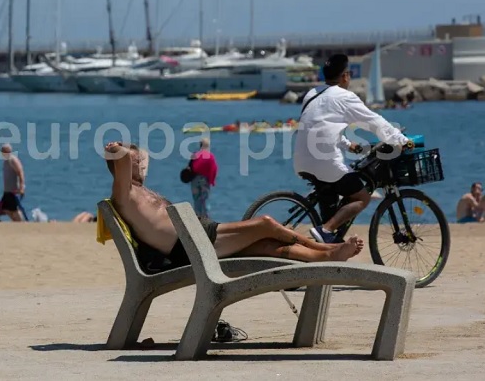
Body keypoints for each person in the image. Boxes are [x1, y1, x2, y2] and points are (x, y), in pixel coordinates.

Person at [104, 141, 364, 269]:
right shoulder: (124, 194)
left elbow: (132, 159)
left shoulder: (141, 191)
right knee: (266, 224)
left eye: (140, 161)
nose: (140, 164)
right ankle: (324, 245)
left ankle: (325, 257)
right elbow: (124, 160)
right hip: (191, 245)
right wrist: (118, 151)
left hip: (197, 237)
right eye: (136, 162)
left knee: (266, 245)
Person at [293, 54, 412, 243]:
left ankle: (328, 245)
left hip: (301, 160)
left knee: (330, 198)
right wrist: (403, 141)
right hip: (324, 162)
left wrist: (348, 145)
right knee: (362, 197)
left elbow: (321, 127)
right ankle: (326, 229)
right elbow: (374, 122)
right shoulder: (345, 96)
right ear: (346, 76)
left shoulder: (311, 94)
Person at [190, 138, 218, 218]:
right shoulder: (210, 156)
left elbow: (191, 167)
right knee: (204, 199)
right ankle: (205, 217)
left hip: (194, 179)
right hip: (205, 180)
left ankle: (197, 216)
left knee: (196, 199)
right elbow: (214, 169)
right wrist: (212, 181)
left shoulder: (195, 155)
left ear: (200, 145)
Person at [0, 144, 26, 221]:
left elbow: (20, 172)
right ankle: (16, 222)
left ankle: (21, 223)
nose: (2, 153)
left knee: (14, 209)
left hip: (13, 190)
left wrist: (22, 187)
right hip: (7, 190)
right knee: (5, 209)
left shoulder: (12, 160)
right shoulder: (6, 161)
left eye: (3, 151)